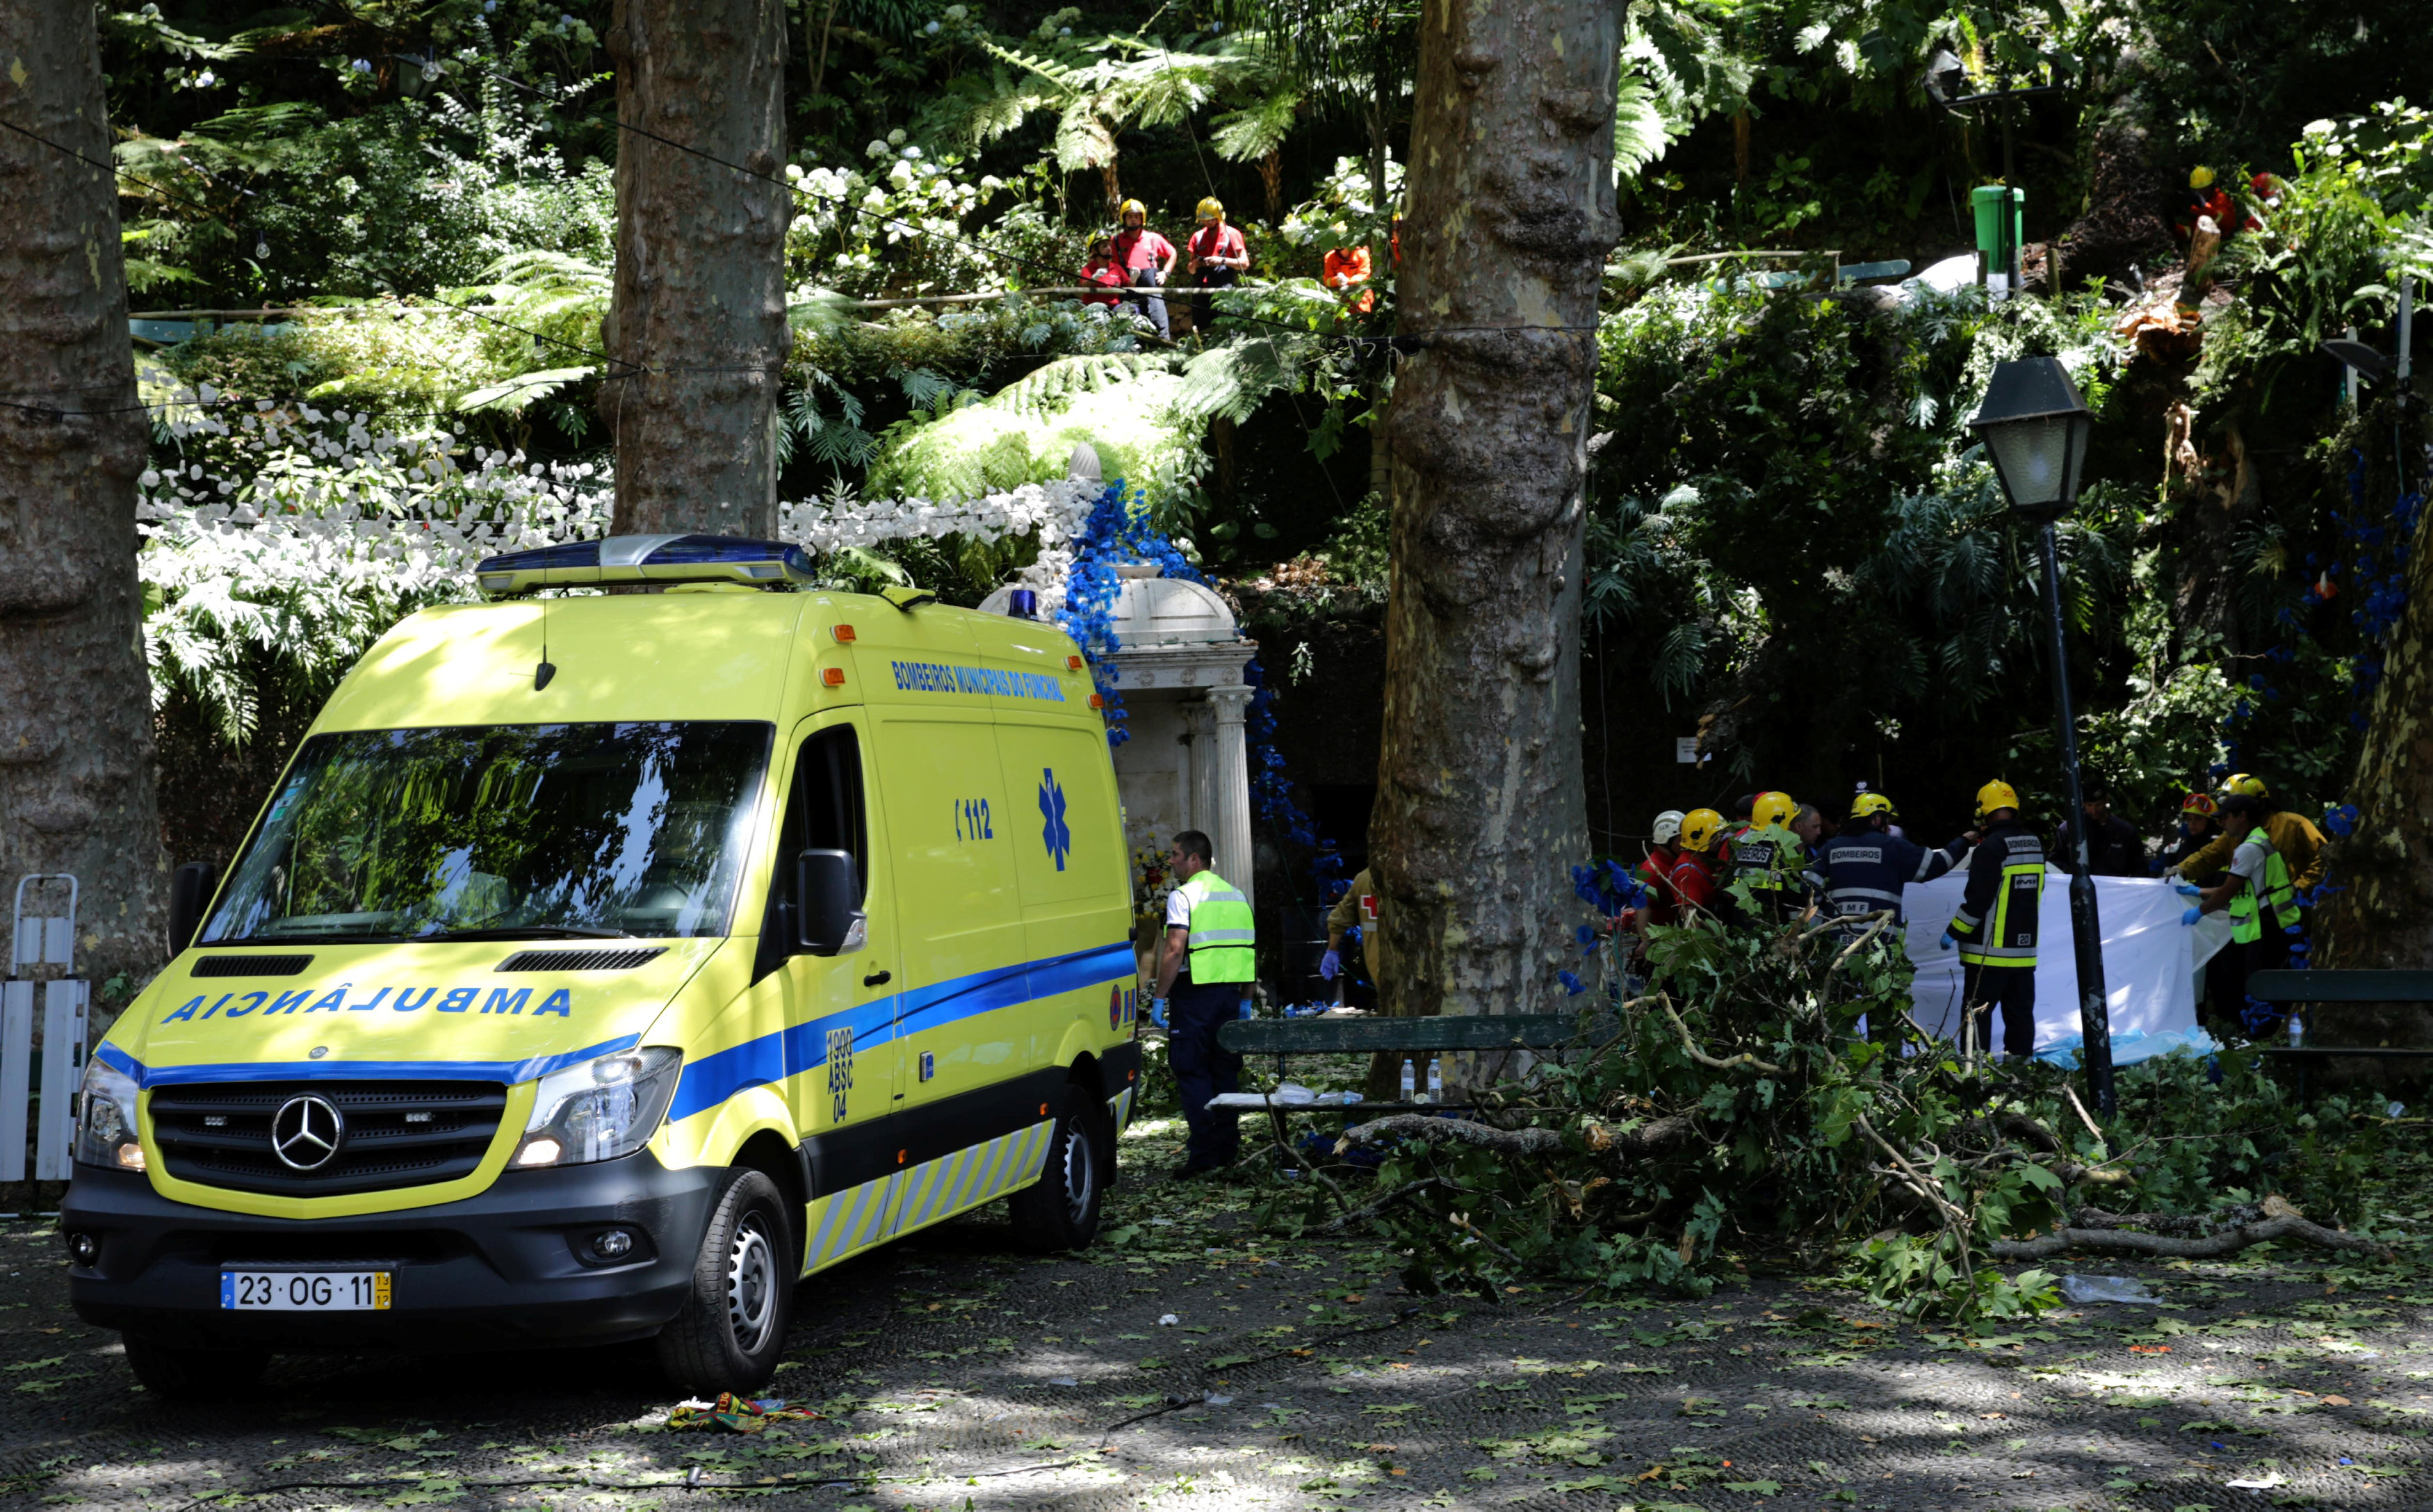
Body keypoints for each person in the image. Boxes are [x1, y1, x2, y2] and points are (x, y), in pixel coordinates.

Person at [1151, 829, 1253, 1177]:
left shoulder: (1183, 896)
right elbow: (1248, 952)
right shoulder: (1237, 896)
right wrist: (1246, 1001)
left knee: (1192, 1070)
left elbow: (1174, 949)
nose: (1172, 861)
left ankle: (1203, 1155)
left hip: (1194, 996)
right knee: (1224, 1071)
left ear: (1195, 859)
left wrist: (1159, 997)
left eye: (1176, 855)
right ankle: (1228, 1149)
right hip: (1228, 997)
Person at [2182, 792, 2304, 1035]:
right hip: (2275, 923)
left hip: (2268, 926)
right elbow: (2238, 886)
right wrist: (2198, 890)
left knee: (2261, 986)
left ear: (2242, 817)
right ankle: (2262, 1034)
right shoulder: (2258, 841)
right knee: (2260, 983)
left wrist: (2200, 910)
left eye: (2225, 817)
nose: (2221, 823)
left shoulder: (2248, 849)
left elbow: (2228, 892)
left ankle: (2264, 1036)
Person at [1944, 779, 2044, 1059]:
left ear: (1983, 812)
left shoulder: (1991, 848)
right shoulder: (2034, 843)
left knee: (1977, 1018)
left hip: (1987, 955)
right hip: (2023, 954)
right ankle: (2020, 1073)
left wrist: (1953, 931)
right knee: (2021, 1016)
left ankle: (1974, 1074)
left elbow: (1977, 901)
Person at [1803, 792, 1971, 936]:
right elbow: (1937, 864)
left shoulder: (1830, 848)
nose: (1889, 828)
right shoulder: (1893, 847)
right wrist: (1963, 842)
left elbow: (1809, 892)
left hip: (1837, 941)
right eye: (1887, 821)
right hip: (1880, 941)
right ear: (1877, 819)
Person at [2172, 774, 2325, 897]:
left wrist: (2299, 887)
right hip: (2255, 917)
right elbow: (2208, 857)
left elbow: (2323, 858)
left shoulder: (2293, 824)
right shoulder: (2233, 834)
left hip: (2292, 912)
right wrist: (2181, 869)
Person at [1728, 790, 1807, 919]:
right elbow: (1795, 901)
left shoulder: (1737, 846)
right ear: (1783, 823)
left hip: (1739, 926)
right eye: (1792, 822)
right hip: (1775, 930)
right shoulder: (1785, 855)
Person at [1110, 199, 1177, 338]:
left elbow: (1172, 253)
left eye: (1136, 216)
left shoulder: (1153, 238)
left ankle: (1163, 349)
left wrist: (1166, 273)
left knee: (1160, 328)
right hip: (1128, 291)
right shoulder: (1115, 241)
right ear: (1124, 219)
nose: (1133, 220)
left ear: (1142, 218)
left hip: (1152, 291)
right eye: (1129, 216)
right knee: (1129, 331)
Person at [2053, 782, 2147, 877]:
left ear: (2106, 800)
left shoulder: (2125, 831)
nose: (2094, 810)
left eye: (2098, 805)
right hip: (2079, 886)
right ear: (2083, 804)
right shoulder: (2069, 829)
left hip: (2114, 888)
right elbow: (2056, 861)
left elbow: (2140, 866)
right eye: (2089, 805)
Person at [1185, 197, 1248, 333]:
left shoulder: (1232, 234)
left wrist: (1222, 261)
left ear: (1219, 217)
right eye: (1204, 220)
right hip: (1201, 291)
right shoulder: (1197, 236)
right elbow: (1190, 270)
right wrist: (1196, 263)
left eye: (1211, 219)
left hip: (1224, 291)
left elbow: (1244, 264)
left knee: (1228, 328)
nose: (1208, 223)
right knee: (1202, 329)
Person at [1666, 808, 1738, 925]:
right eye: (1717, 835)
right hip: (1706, 936)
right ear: (1700, 839)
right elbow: (1690, 920)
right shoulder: (1688, 872)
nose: (1722, 838)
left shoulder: (1704, 861)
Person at [2158, 791, 2224, 881]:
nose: (2193, 823)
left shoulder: (2219, 847)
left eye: (2199, 819)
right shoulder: (2177, 850)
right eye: (2189, 819)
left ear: (2210, 822)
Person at [1078, 236, 1128, 311]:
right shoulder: (1088, 269)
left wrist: (1134, 280)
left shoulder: (1117, 268)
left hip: (1114, 308)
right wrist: (1094, 279)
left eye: (1110, 246)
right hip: (1093, 309)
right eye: (1105, 246)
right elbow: (1084, 287)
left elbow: (1129, 287)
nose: (1109, 248)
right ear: (1095, 251)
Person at [1322, 242, 1374, 313]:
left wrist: (1348, 281)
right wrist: (1336, 281)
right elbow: (1327, 280)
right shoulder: (1330, 257)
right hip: (1341, 299)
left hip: (1361, 296)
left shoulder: (1361, 254)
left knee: (1363, 319)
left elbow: (1364, 276)